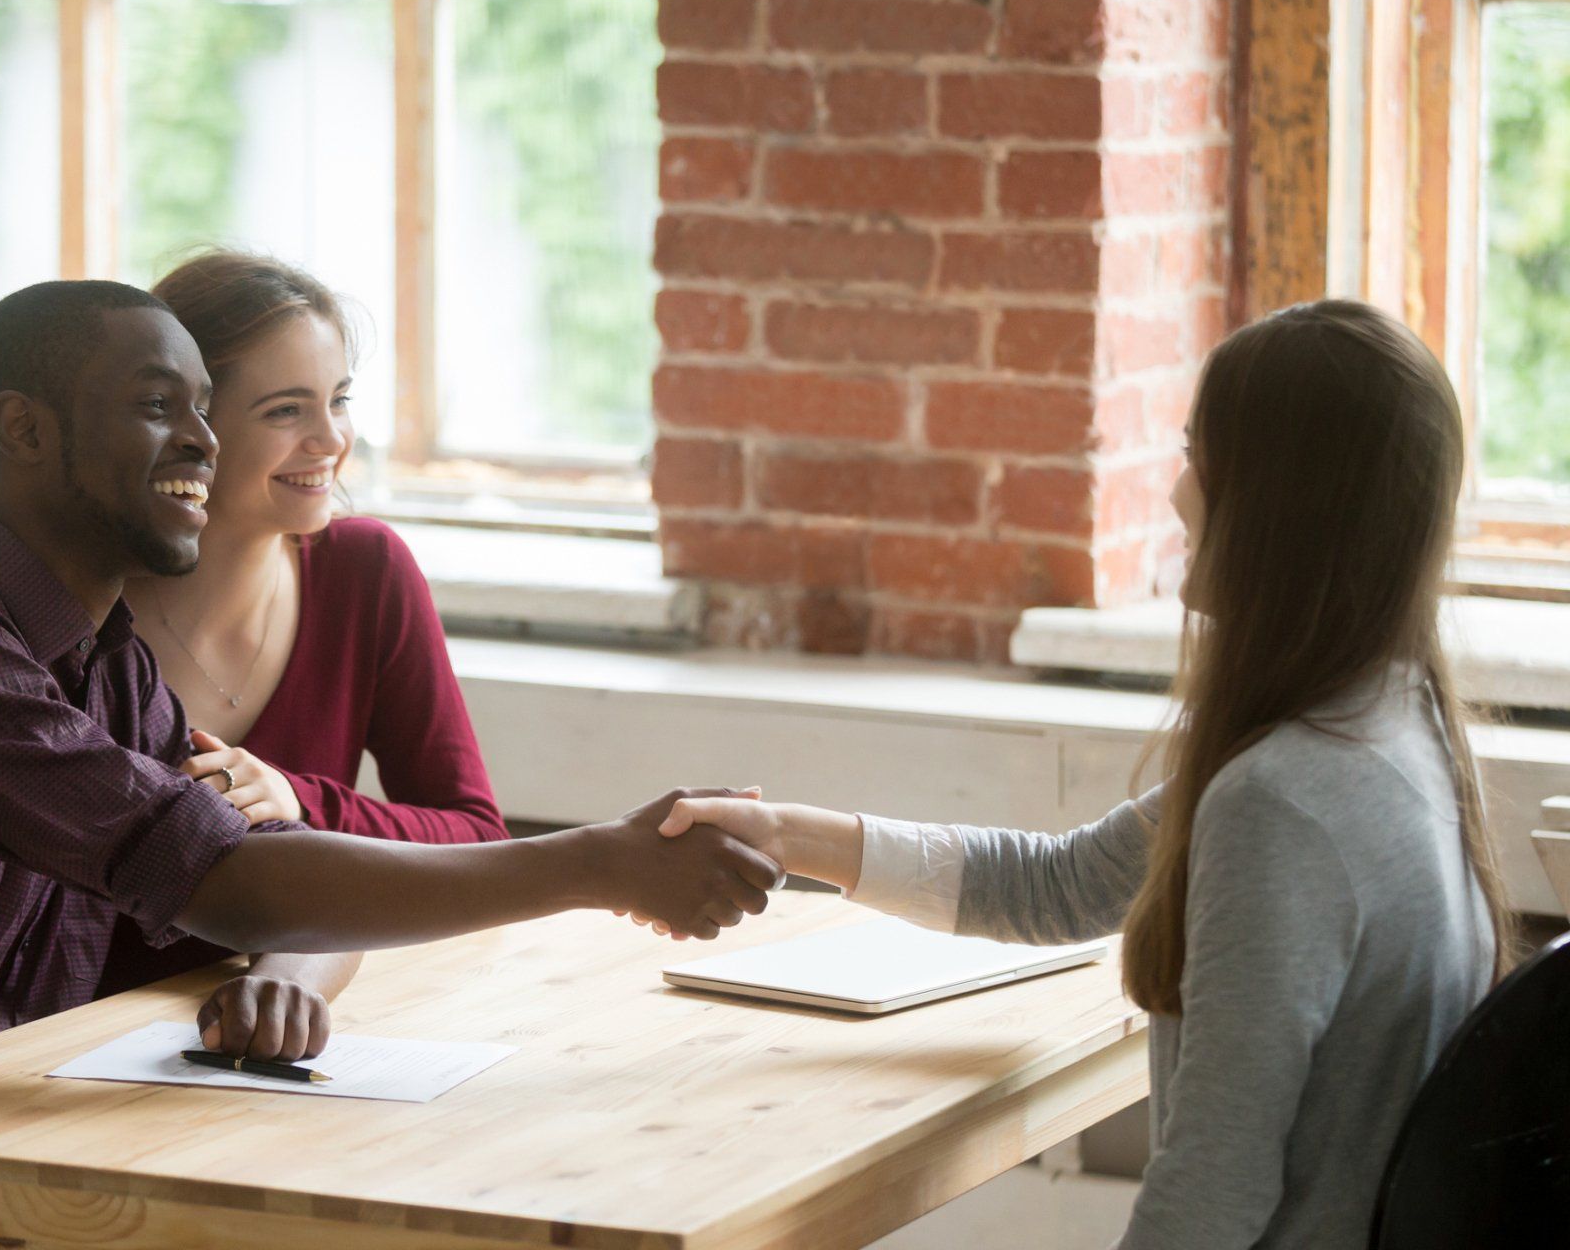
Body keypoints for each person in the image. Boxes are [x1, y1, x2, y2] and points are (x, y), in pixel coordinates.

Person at [0, 281, 778, 1242]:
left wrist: (288, 965)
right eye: (158, 409)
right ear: (23, 430)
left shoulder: (109, 664)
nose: (203, 441)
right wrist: (595, 864)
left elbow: (271, 868)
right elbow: (220, 875)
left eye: (205, 409)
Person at [649, 301, 1515, 1249]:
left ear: (1277, 501)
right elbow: (1059, 884)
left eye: (1198, 459)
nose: (1180, 495)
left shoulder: (1284, 804)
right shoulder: (1385, 724)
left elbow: (1211, 1193)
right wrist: (792, 839)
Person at [123, 251, 502, 846]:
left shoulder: (364, 571)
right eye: (286, 411)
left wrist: (298, 801)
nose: (331, 440)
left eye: (340, 400)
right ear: (188, 426)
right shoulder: (72, 602)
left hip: (288, 945)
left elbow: (475, 835)